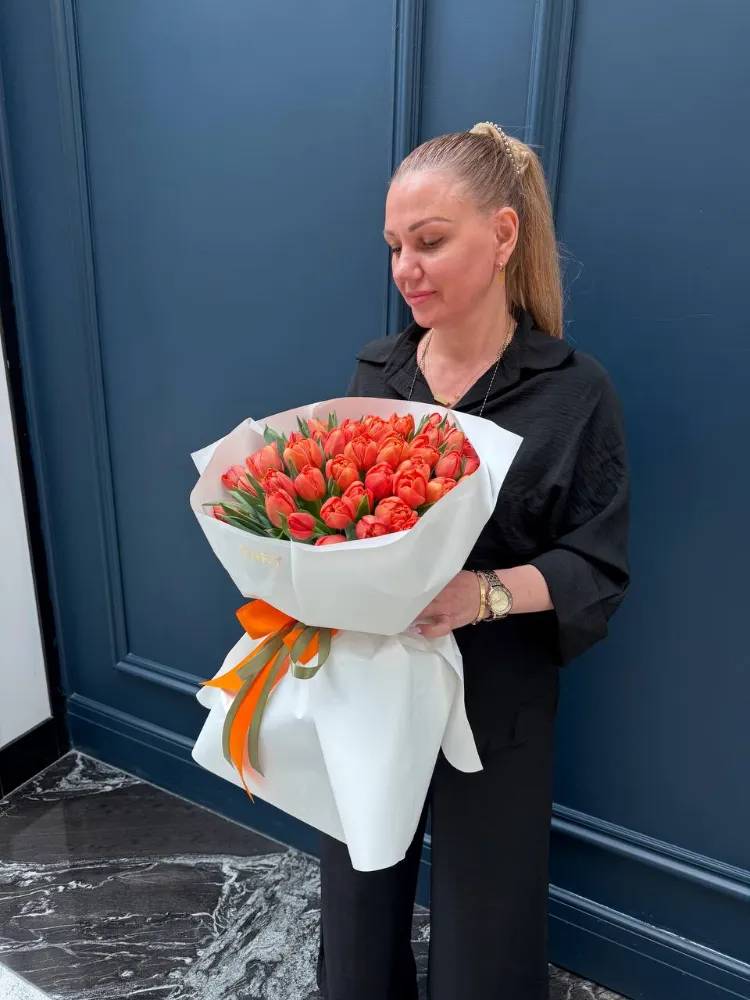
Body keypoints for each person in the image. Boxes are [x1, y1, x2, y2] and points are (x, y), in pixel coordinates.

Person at [316, 121, 630, 1000]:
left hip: (500, 697)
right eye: (393, 246)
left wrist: (480, 595)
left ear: (501, 234)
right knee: (355, 910)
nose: (404, 267)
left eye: (429, 241)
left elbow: (597, 567)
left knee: (483, 940)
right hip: (372, 680)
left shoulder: (576, 392)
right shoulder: (377, 372)